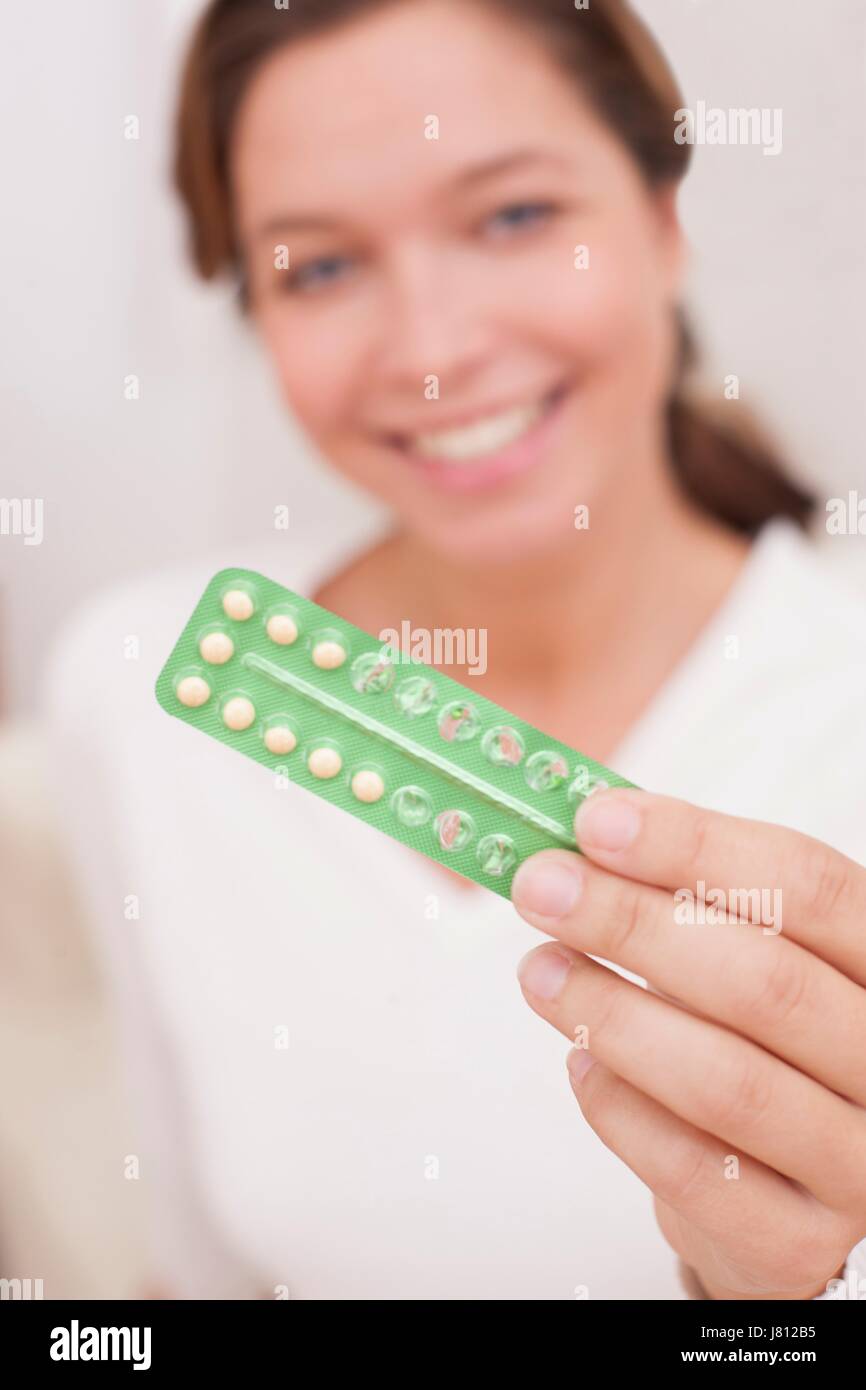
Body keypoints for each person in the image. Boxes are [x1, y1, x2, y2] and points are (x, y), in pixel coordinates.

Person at [46, 0, 866, 1299]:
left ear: (661, 219)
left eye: (513, 216)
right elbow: (191, 1277)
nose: (432, 353)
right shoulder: (134, 689)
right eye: (318, 266)